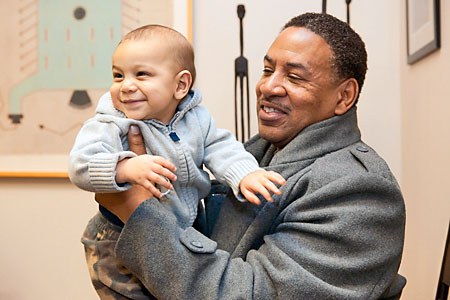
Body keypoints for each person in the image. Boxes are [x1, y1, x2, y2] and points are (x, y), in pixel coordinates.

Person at [94, 13, 407, 300]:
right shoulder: (259, 154)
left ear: (344, 96)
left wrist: (137, 208)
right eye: (268, 70)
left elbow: (252, 294)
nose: (268, 86)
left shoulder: (360, 192)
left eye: (295, 77)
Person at [69, 24, 285, 299]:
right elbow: (80, 165)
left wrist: (245, 175)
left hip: (183, 228)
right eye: (118, 75)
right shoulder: (111, 123)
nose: (126, 86)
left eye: (142, 74)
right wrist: (125, 167)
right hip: (116, 237)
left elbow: (220, 147)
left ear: (180, 85)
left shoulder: (197, 119)